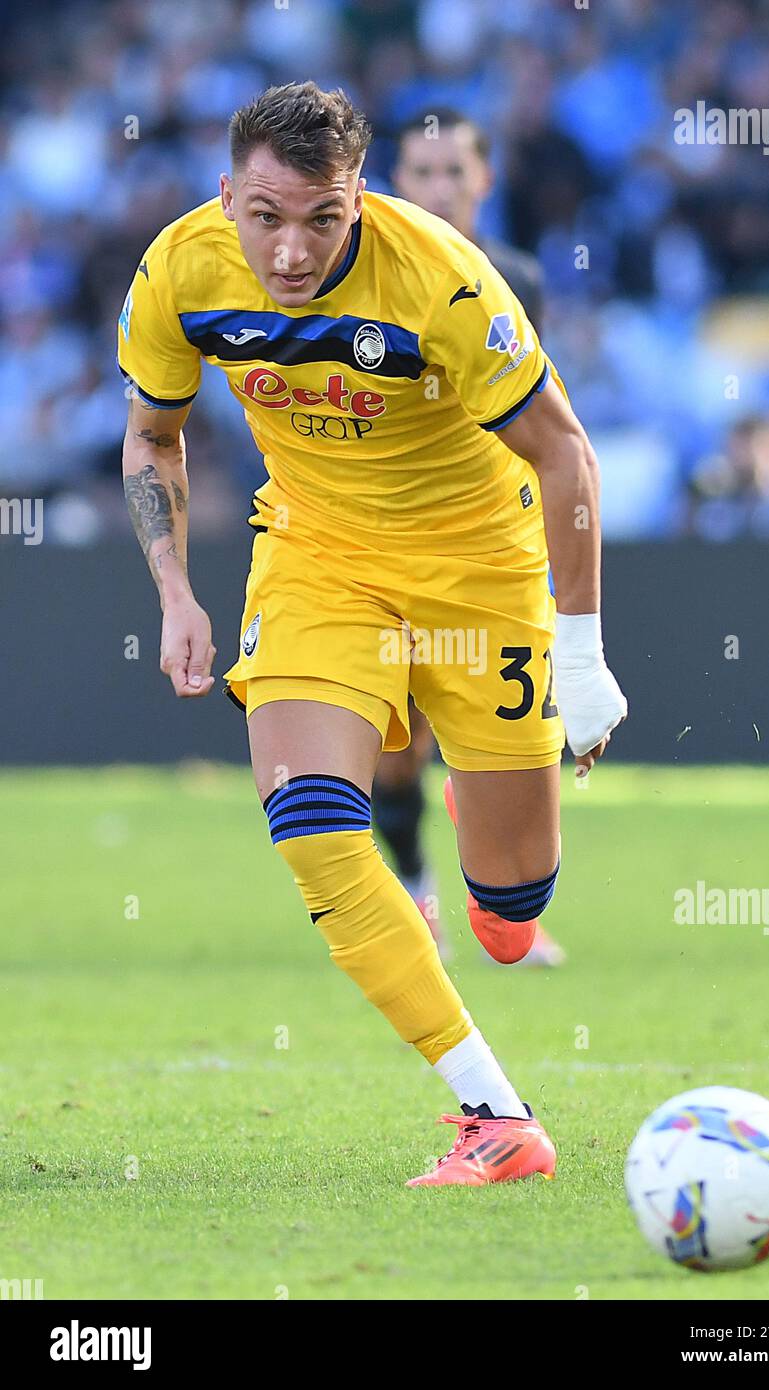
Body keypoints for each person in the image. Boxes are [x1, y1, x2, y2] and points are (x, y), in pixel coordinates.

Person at [118, 82, 626, 1187]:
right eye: (264, 216)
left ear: (359, 198)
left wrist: (579, 657)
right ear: (226, 194)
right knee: (307, 816)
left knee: (507, 908)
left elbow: (565, 456)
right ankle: (495, 1118)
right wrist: (175, 590)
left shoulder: (439, 275)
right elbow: (153, 433)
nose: (290, 251)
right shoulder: (178, 270)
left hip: (477, 567)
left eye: (321, 218)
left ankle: (485, 831)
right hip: (318, 554)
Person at [378, 106, 565, 967]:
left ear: (485, 181)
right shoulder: (369, 281)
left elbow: (531, 419)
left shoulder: (516, 279)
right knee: (399, 744)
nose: (440, 188)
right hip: (386, 538)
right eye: (423, 172)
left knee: (511, 740)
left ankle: (502, 896)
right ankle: (417, 895)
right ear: (395, 182)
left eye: (456, 171)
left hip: (490, 543)